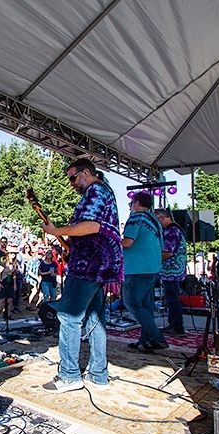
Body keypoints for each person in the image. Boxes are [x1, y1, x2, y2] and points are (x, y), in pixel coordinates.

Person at [41, 159, 123, 393]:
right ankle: (98, 374)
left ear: (86, 172)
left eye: (73, 178)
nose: (71, 184)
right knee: (95, 319)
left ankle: (69, 375)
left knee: (68, 316)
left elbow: (92, 225)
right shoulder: (106, 191)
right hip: (101, 262)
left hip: (90, 263)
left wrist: (57, 231)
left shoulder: (96, 191)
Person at [122, 192, 168, 354]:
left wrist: (111, 242)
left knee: (132, 303)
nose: (131, 206)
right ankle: (145, 340)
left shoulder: (135, 219)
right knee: (146, 306)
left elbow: (127, 242)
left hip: (136, 268)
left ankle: (156, 337)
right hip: (153, 267)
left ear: (138, 203)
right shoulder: (155, 220)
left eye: (131, 203)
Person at [154, 209, 187, 336]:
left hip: (172, 270)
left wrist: (153, 257)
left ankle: (177, 325)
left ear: (162, 218)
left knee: (172, 298)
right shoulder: (175, 229)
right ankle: (174, 324)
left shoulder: (171, 231)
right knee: (171, 297)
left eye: (157, 220)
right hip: (173, 269)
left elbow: (168, 253)